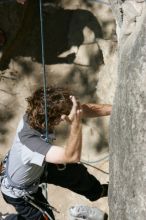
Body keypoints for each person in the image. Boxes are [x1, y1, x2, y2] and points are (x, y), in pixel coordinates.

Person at [0, 85, 112, 220]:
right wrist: (75, 123)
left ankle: (99, 191)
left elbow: (80, 110)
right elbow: (72, 156)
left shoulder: (35, 114)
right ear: (57, 119)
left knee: (76, 174)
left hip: (35, 167)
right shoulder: (30, 144)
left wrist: (113, 109)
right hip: (20, 192)